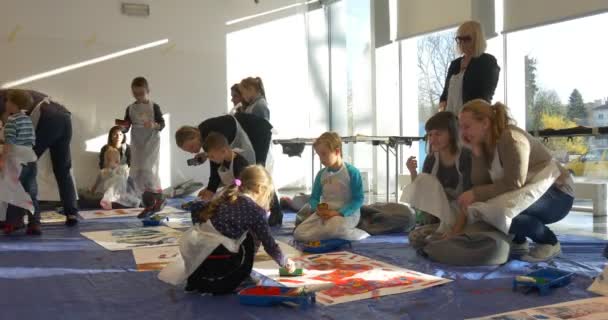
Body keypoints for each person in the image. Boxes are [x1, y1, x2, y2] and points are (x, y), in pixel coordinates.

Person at [457, 99, 574, 262]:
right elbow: (481, 183)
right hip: (533, 193)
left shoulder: (511, 137)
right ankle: (519, 240)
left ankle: (549, 242)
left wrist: (475, 194)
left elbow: (514, 183)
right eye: (461, 127)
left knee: (500, 211)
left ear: (484, 123)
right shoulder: (484, 145)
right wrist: (476, 151)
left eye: (467, 126)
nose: (463, 133)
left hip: (557, 195)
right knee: (487, 208)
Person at [158, 165, 295, 294]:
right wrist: (285, 262)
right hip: (222, 265)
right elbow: (269, 244)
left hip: (198, 260)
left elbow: (196, 206)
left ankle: (201, 280)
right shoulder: (255, 210)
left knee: (232, 233)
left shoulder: (224, 196)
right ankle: (242, 276)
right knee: (251, 235)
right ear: (260, 189)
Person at [175, 112, 283, 226]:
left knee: (259, 173)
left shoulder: (209, 132)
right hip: (245, 130)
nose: (193, 151)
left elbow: (215, 164)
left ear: (195, 135)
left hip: (257, 129)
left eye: (192, 147)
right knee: (249, 175)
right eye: (189, 151)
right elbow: (218, 158)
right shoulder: (204, 132)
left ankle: (275, 211)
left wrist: (211, 189)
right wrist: (207, 157)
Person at [0, 89, 79, 226]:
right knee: (63, 169)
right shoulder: (12, 93)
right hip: (64, 117)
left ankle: (16, 220)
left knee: (21, 168)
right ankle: (71, 212)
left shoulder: (4, 98)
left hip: (48, 119)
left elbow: (8, 126)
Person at [401, 112, 472, 247]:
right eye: (430, 134)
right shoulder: (432, 158)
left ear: (452, 133)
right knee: (415, 238)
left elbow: (469, 201)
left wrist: (455, 232)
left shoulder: (465, 157)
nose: (433, 139)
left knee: (443, 243)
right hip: (441, 215)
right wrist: (413, 172)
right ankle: (439, 229)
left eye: (438, 134)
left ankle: (453, 232)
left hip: (465, 214)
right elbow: (420, 192)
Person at [293, 132, 368, 241]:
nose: (321, 159)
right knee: (299, 233)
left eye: (324, 154)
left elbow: (358, 199)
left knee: (333, 227)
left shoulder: (352, 172)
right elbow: (314, 198)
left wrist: (339, 213)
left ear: (337, 151)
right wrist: (318, 210)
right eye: (319, 155)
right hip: (325, 214)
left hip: (347, 214)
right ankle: (328, 235)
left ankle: (359, 234)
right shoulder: (321, 175)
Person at [439, 20, 500, 114]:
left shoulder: (487, 61)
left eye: (467, 39)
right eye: (460, 39)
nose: (462, 43)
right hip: (451, 120)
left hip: (474, 118)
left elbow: (484, 97)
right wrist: (442, 115)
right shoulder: (455, 64)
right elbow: (444, 95)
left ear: (477, 39)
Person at [0, 90, 39, 235]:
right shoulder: (27, 119)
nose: (6, 103)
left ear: (14, 104)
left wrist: (2, 161)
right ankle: (34, 223)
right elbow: (31, 139)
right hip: (30, 159)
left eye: (8, 101)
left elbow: (9, 144)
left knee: (12, 190)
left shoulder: (11, 122)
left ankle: (12, 223)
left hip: (16, 161)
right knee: (31, 192)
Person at [119, 77, 165, 195]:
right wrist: (123, 128)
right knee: (136, 167)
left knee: (149, 167)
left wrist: (154, 125)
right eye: (135, 93)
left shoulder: (154, 107)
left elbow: (162, 124)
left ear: (148, 90)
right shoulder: (130, 108)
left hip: (151, 140)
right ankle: (138, 194)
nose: (138, 96)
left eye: (141, 93)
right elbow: (127, 126)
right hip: (136, 140)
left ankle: (153, 192)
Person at [198, 132, 250, 200]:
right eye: (208, 156)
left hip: (243, 196)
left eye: (212, 156)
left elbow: (239, 183)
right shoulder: (222, 160)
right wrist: (208, 189)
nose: (210, 159)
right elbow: (221, 180)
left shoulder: (239, 163)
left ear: (223, 151)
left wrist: (223, 192)